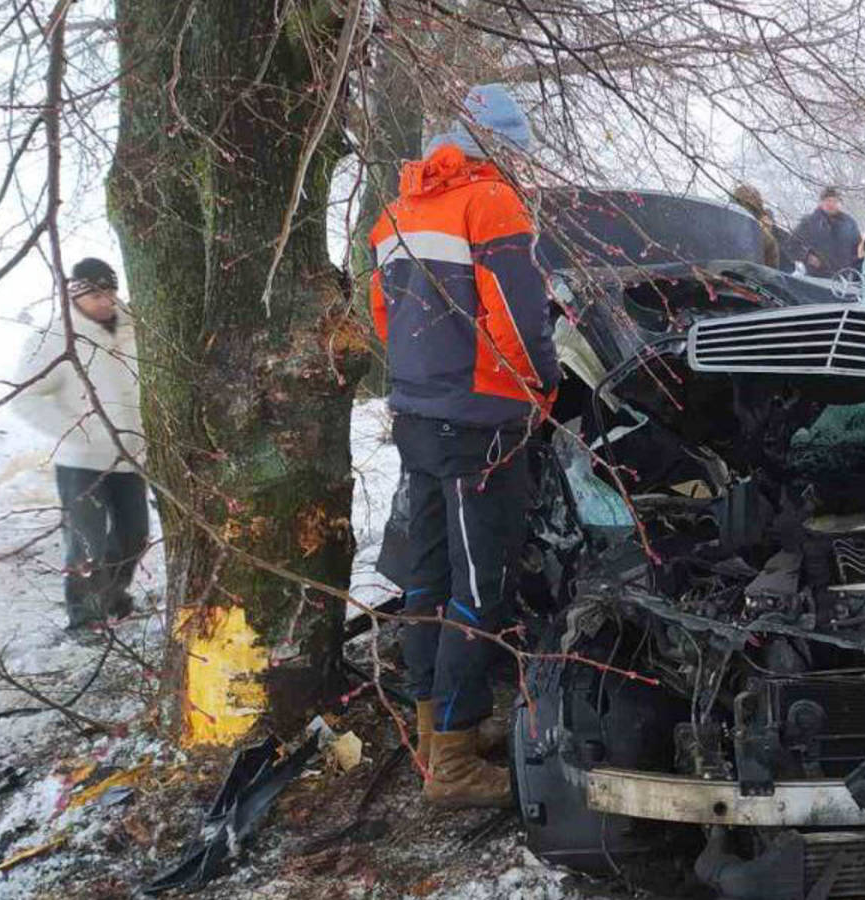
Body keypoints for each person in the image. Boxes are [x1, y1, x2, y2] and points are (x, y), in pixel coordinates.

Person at [367, 83, 559, 807]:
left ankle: (433, 733)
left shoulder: (397, 212)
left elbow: (385, 314)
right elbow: (518, 314)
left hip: (418, 417)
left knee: (430, 579)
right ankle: (453, 763)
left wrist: (425, 381)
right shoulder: (491, 203)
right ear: (501, 149)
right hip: (478, 422)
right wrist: (543, 388)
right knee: (481, 589)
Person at [11, 258, 149, 635]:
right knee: (85, 543)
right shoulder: (54, 338)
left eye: (110, 291)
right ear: (76, 294)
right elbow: (24, 398)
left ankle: (113, 598)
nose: (105, 300)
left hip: (131, 456)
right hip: (80, 462)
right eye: (95, 293)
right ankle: (85, 619)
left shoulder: (136, 329)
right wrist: (77, 432)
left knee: (134, 535)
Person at [788, 186, 862, 279]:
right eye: (828, 200)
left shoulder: (849, 223)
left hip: (843, 281)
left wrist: (856, 274)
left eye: (835, 201)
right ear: (821, 203)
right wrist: (807, 257)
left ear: (840, 203)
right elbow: (791, 246)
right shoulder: (809, 222)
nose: (831, 204)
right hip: (816, 278)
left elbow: (858, 251)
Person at [729, 183, 786, 270]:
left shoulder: (765, 239)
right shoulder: (718, 225)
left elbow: (770, 276)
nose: (745, 213)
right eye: (741, 207)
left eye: (751, 210)